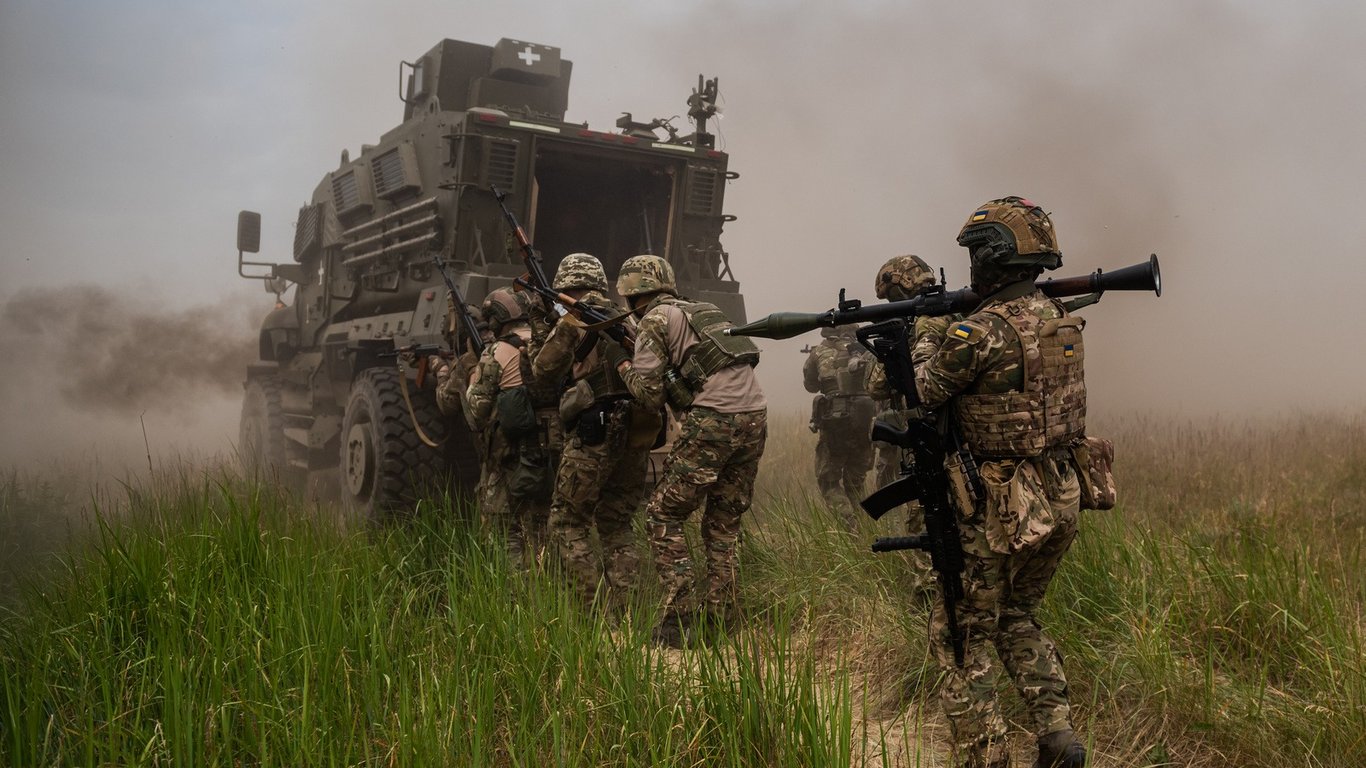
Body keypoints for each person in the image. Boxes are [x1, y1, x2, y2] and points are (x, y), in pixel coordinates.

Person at [914, 197, 1089, 768]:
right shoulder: (1058, 319)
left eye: (975, 254)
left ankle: (984, 757)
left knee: (964, 634)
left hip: (1002, 502)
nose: (970, 266)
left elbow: (925, 388)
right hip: (1061, 489)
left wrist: (925, 330)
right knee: (1018, 615)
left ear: (996, 257)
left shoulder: (977, 332)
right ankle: (1059, 739)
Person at [603, 254, 767, 648]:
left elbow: (648, 395)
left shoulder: (654, 321)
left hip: (714, 420)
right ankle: (722, 617)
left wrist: (621, 363)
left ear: (630, 296)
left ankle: (678, 618)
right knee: (724, 520)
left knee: (662, 514)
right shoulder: (707, 310)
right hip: (755, 417)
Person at [531, 253, 661, 609]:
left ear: (564, 288)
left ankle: (594, 612)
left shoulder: (574, 320)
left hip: (595, 430)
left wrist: (542, 325)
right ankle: (629, 610)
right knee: (616, 524)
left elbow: (541, 372)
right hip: (636, 428)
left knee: (566, 521)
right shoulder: (629, 320)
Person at [434, 287, 560, 567]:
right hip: (555, 452)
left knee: (503, 530)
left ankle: (516, 597)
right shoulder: (550, 343)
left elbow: (476, 414)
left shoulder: (497, 352)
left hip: (512, 456)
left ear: (496, 319)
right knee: (544, 527)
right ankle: (550, 592)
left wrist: (464, 371)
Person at [801, 325, 877, 529]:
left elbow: (810, 385)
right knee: (856, 483)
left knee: (828, 480)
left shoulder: (820, 351)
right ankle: (866, 532)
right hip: (865, 420)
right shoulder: (867, 351)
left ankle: (850, 526)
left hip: (836, 423)